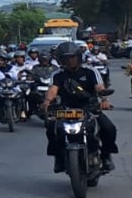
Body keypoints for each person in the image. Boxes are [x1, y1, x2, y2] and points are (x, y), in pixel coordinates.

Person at [44, 40, 117, 173]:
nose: (70, 60)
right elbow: (53, 90)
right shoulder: (58, 75)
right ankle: (59, 158)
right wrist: (47, 102)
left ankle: (106, 156)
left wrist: (104, 99)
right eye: (66, 58)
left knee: (109, 128)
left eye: (72, 57)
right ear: (61, 60)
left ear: (78, 57)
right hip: (65, 110)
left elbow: (99, 87)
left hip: (89, 108)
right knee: (51, 128)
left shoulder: (90, 71)